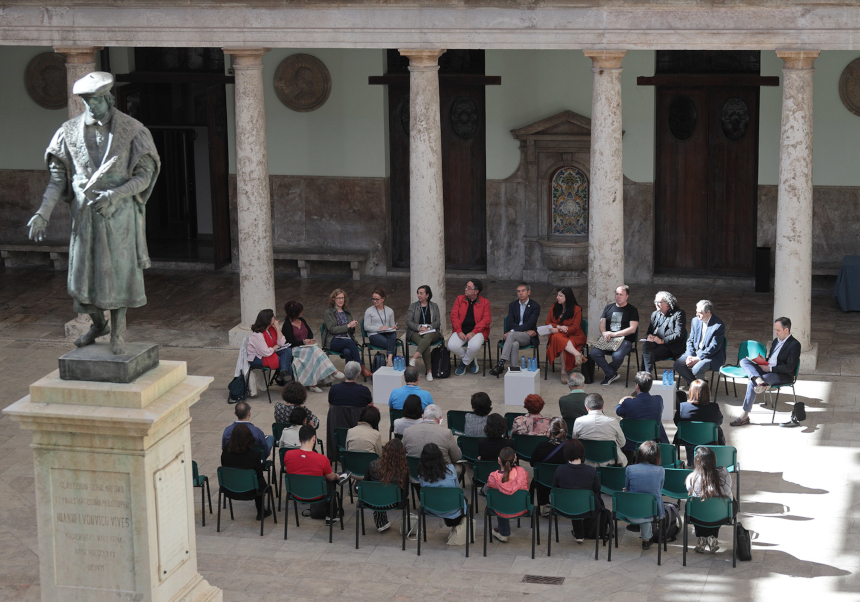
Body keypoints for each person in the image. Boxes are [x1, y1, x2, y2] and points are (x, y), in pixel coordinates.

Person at [27, 72, 161, 355]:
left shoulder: (134, 130)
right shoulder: (69, 131)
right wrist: (43, 212)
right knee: (81, 282)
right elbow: (57, 179)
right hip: (86, 217)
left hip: (119, 214)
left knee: (118, 276)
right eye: (86, 101)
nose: (90, 107)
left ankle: (117, 333)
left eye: (95, 101)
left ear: (108, 98)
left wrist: (115, 194)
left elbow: (145, 175)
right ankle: (99, 324)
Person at [731, 316, 801, 427]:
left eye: (778, 330)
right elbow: (772, 359)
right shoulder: (775, 341)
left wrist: (770, 369)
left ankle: (744, 415)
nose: (776, 333)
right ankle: (758, 379)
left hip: (780, 374)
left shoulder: (795, 345)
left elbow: (790, 367)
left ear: (786, 330)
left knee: (751, 383)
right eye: (775, 330)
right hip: (767, 368)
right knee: (744, 361)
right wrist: (764, 361)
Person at [282, 425, 348, 524]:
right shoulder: (322, 459)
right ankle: (331, 516)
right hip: (318, 494)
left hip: (296, 493)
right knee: (330, 481)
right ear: (314, 438)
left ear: (299, 439)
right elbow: (330, 477)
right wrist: (337, 476)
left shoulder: (288, 455)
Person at [283, 300, 344, 393]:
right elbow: (290, 341)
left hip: (306, 347)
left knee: (313, 352)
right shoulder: (287, 325)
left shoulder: (302, 320)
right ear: (294, 313)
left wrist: (309, 340)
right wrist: (303, 342)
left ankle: (313, 384)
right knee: (315, 350)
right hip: (295, 348)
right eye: (300, 311)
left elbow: (310, 333)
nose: (301, 312)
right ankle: (333, 371)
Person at [417, 442, 469, 545]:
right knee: (463, 500)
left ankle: (451, 522)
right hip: (452, 507)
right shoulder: (450, 469)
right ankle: (454, 524)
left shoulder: (421, 474)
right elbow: (457, 491)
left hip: (431, 507)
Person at [553, 439, 605, 543]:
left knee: (573, 497)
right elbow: (597, 489)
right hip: (587, 507)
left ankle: (579, 533)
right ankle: (587, 530)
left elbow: (555, 488)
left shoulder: (560, 470)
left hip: (564, 506)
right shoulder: (591, 471)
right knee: (592, 500)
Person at [589, 285, 640, 386]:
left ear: (627, 297)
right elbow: (602, 324)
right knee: (594, 352)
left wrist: (614, 334)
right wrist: (604, 333)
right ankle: (611, 373)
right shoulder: (608, 308)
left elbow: (632, 329)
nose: (618, 296)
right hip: (608, 339)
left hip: (624, 340)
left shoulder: (632, 310)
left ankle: (609, 373)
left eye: (621, 294)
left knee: (617, 356)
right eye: (616, 294)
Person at [686, 446, 733, 554]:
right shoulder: (724, 472)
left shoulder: (692, 477)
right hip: (723, 514)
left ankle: (702, 537)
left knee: (697, 506)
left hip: (700, 514)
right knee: (717, 505)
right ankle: (712, 537)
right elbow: (728, 489)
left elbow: (689, 490)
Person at [489, 282, 541, 376]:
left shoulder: (535, 306)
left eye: (523, 291)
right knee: (514, 343)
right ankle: (514, 370)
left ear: (528, 292)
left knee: (511, 335)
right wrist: (520, 329)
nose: (520, 293)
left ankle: (501, 363)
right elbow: (509, 323)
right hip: (518, 335)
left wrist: (513, 331)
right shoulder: (513, 305)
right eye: (518, 291)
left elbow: (529, 324)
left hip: (528, 337)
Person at [615, 371, 669, 460]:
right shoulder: (658, 400)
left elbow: (619, 411)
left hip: (631, 439)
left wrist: (621, 402)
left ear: (637, 386)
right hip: (652, 438)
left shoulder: (628, 403)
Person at [221, 423, 271, 519]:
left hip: (230, 488)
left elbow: (225, 468)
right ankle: (261, 512)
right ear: (249, 437)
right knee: (258, 481)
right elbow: (259, 475)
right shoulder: (254, 455)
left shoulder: (226, 452)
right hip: (252, 491)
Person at [673, 299, 726, 388]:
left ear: (708, 312)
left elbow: (714, 347)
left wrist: (697, 358)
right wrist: (690, 355)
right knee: (678, 364)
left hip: (711, 356)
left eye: (700, 313)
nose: (697, 314)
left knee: (697, 369)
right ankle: (698, 387)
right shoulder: (695, 321)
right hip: (695, 352)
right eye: (696, 312)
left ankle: (699, 390)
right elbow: (690, 340)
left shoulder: (718, 325)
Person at [624, 440, 665, 550]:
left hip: (630, 513)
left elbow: (627, 489)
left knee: (639, 501)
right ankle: (646, 540)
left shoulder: (630, 469)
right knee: (648, 503)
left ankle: (646, 538)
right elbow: (659, 489)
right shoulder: (660, 470)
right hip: (654, 514)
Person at [323, 288, 372, 379]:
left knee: (347, 351)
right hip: (333, 340)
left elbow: (351, 332)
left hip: (346, 339)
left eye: (342, 298)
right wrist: (348, 326)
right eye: (338, 298)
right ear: (333, 299)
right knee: (349, 342)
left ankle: (348, 376)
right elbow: (332, 329)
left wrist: (352, 327)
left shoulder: (347, 312)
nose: (341, 300)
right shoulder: (328, 313)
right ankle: (361, 367)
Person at [364, 438, 410, 532]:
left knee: (378, 491)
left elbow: (366, 485)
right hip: (394, 502)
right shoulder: (404, 470)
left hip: (374, 502)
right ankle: (382, 523)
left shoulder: (372, 464)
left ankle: (381, 522)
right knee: (384, 493)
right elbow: (405, 493)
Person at [544, 287, 587, 384]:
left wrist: (558, 329)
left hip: (574, 335)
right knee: (557, 338)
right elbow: (548, 322)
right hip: (559, 335)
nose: (557, 297)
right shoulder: (554, 306)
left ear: (567, 297)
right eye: (557, 295)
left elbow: (575, 328)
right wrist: (559, 327)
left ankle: (564, 371)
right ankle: (577, 354)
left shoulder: (577, 309)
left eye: (560, 296)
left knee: (560, 341)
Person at [448, 279, 491, 376]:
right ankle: (470, 360)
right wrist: (459, 331)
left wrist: (474, 332)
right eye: (466, 286)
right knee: (452, 345)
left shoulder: (485, 302)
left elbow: (487, 320)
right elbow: (454, 316)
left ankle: (463, 364)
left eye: (469, 288)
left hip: (478, 331)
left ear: (476, 291)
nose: (465, 289)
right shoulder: (459, 299)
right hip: (461, 330)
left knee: (474, 346)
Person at [675, 380, 725, 462]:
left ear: (691, 392)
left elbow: (677, 422)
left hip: (687, 438)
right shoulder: (714, 408)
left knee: (688, 433)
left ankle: (691, 462)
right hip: (710, 439)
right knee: (717, 430)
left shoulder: (682, 407)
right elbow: (719, 421)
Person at [486, 447, 529, 542]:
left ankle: (503, 532)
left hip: (500, 509)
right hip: (520, 509)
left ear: (498, 460)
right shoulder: (523, 473)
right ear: (515, 459)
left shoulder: (493, 477)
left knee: (493, 495)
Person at [572, 394, 627, 467]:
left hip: (587, 461)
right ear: (603, 406)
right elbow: (622, 443)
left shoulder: (578, 421)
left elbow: (575, 441)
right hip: (610, 461)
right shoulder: (613, 421)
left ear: (586, 407)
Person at [641, 291, 687, 375]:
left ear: (668, 304)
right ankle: (646, 376)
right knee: (646, 346)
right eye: (655, 302)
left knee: (646, 355)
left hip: (671, 347)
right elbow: (649, 331)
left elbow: (679, 334)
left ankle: (644, 378)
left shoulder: (678, 314)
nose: (656, 304)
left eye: (659, 302)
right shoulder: (655, 314)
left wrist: (662, 341)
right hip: (656, 344)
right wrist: (649, 336)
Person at [530, 417, 569, 510]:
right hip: (564, 481)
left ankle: (543, 507)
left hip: (543, 481)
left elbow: (533, 463)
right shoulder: (571, 447)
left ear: (550, 431)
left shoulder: (541, 446)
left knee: (541, 476)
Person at [406, 285, 443, 380]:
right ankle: (429, 371)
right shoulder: (413, 306)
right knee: (425, 344)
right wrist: (419, 327)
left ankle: (414, 358)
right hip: (416, 332)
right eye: (418, 293)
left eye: (421, 293)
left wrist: (429, 327)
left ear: (427, 295)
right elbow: (409, 322)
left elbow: (438, 322)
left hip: (432, 332)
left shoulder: (434, 306)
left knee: (428, 336)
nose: (419, 295)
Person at [247, 308, 292, 386]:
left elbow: (281, 342)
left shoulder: (271, 329)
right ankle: (289, 386)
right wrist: (275, 347)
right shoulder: (257, 335)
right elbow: (266, 353)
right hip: (257, 357)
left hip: (269, 351)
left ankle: (283, 372)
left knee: (288, 350)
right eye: (273, 317)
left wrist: (278, 328)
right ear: (267, 320)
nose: (275, 319)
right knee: (285, 361)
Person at [364, 288, 398, 367]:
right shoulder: (369, 311)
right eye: (373, 299)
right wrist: (379, 328)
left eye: (377, 299)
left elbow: (391, 325)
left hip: (386, 333)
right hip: (374, 334)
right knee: (391, 343)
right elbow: (366, 327)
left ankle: (389, 359)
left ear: (383, 299)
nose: (374, 301)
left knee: (393, 335)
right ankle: (390, 360)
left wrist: (393, 327)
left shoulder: (390, 311)